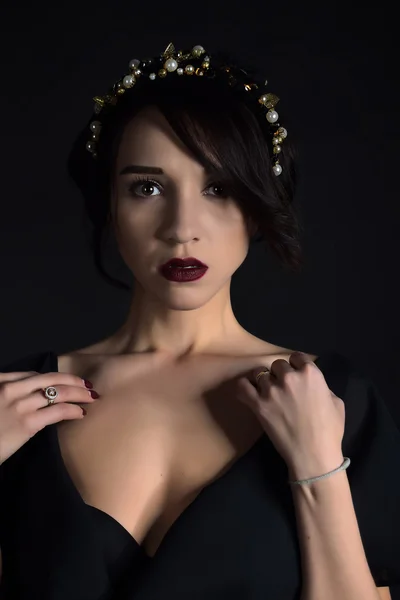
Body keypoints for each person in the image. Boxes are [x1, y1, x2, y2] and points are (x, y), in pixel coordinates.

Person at [0, 42, 399, 600]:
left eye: (220, 189)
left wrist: (318, 470)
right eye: (148, 187)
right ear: (110, 207)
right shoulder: (16, 404)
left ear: (257, 210)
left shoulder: (333, 401)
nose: (182, 226)